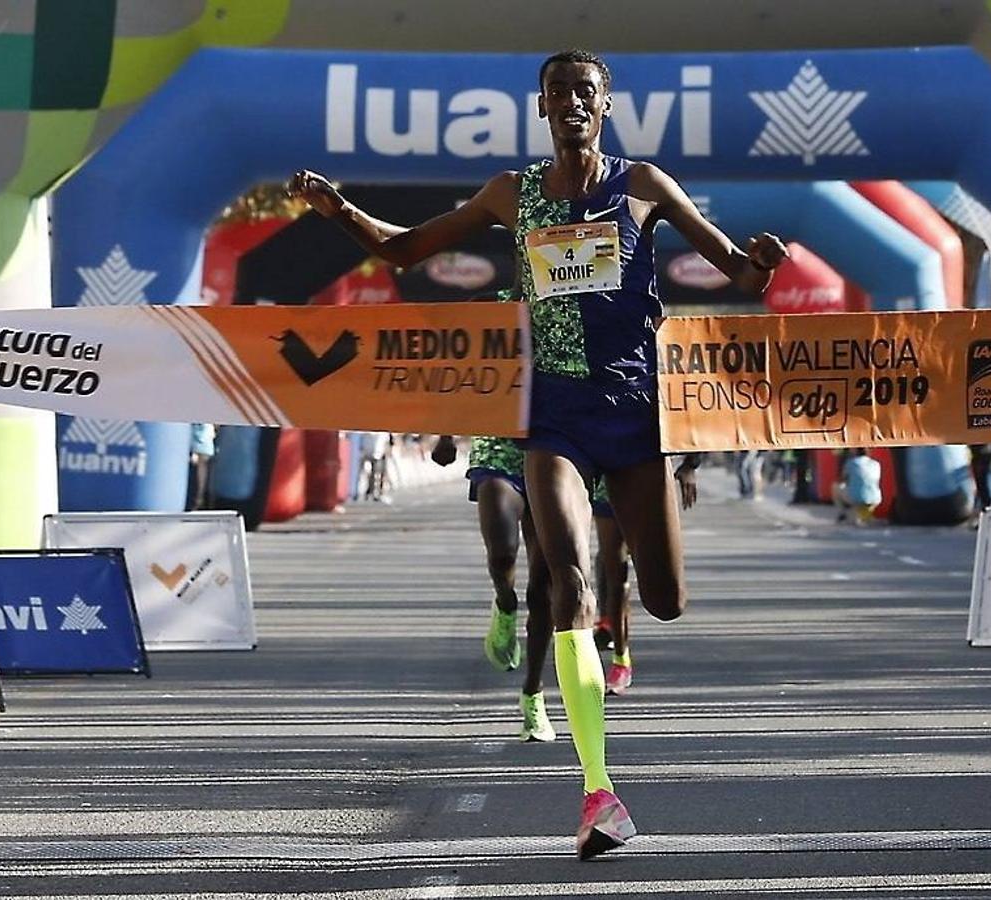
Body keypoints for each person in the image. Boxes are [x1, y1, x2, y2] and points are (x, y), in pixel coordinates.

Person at [288, 47, 787, 859]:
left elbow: (737, 270)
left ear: (605, 106)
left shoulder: (643, 186)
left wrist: (760, 262)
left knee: (663, 600)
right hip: (547, 412)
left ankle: (615, 666)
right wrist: (338, 208)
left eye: (584, 93)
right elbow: (407, 249)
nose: (571, 104)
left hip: (631, 409)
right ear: (543, 107)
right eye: (558, 94)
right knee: (567, 577)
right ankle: (600, 793)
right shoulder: (510, 194)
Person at [434, 433, 557, 743]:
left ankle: (533, 693)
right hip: (498, 446)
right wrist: (446, 432)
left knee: (543, 586)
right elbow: (464, 382)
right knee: (502, 553)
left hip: (556, 442)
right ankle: (505, 603)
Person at [593, 454, 700, 696]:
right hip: (602, 471)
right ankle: (621, 659)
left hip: (645, 471)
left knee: (662, 590)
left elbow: (684, 417)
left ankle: (612, 624)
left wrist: (692, 464)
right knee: (614, 566)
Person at [834, 448, 883, 526]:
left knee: (835, 486)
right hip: (875, 498)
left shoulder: (851, 463)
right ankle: (863, 516)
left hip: (856, 498)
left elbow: (843, 479)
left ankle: (842, 512)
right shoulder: (876, 463)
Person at [186, 423, 215, 511]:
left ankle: (198, 498)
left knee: (200, 467)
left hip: (200, 438)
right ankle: (199, 498)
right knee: (201, 467)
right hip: (202, 437)